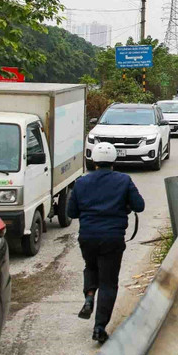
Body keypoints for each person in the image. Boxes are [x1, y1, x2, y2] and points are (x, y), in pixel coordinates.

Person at [67, 142, 145, 344]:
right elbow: (139, 206)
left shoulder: (81, 182)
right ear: (113, 161)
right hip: (112, 238)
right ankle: (99, 327)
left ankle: (89, 295)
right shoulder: (123, 180)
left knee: (91, 267)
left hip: (87, 237)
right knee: (108, 283)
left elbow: (71, 212)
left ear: (93, 161)